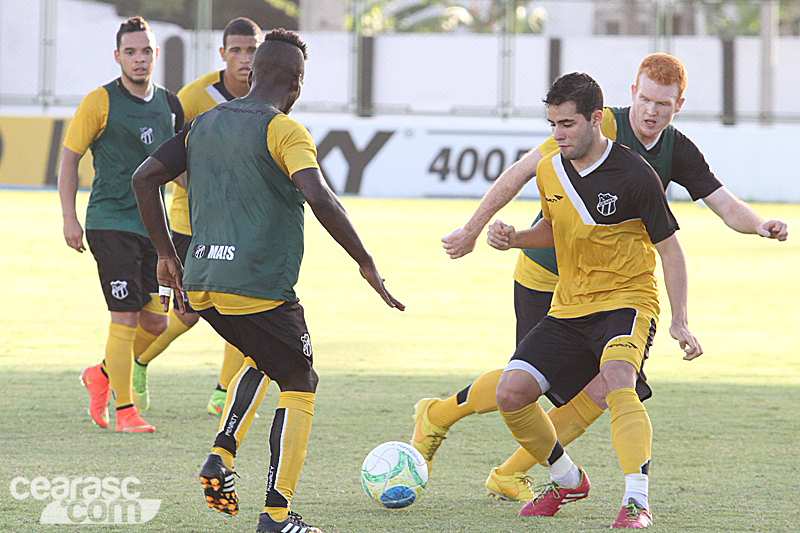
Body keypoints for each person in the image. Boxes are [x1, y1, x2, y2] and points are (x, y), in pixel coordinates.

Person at [411, 53, 789, 502]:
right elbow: (522, 171)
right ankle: (440, 416)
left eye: (663, 104)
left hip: (613, 290)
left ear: (679, 105)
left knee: (602, 387)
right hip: (548, 276)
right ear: (632, 94)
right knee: (534, 378)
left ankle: (510, 472)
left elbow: (723, 203)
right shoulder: (597, 122)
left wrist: (760, 225)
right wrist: (473, 230)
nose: (651, 111)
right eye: (645, 99)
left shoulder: (676, 150)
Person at [132, 29, 404, 533]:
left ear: (254, 72)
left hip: (204, 282)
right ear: (297, 83)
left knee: (262, 357)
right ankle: (277, 516)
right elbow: (320, 197)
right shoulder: (285, 130)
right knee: (300, 380)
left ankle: (221, 455)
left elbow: (143, 177)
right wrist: (365, 262)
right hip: (258, 287)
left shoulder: (205, 122)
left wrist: (167, 255)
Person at [486, 72, 701, 528]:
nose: (558, 135)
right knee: (511, 392)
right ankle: (567, 479)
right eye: (552, 125)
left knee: (619, 378)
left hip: (628, 300)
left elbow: (670, 249)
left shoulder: (635, 173)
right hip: (570, 305)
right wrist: (515, 238)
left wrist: (679, 320)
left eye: (567, 124)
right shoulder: (550, 168)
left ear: (596, 119)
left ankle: (636, 501)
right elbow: (553, 228)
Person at [130, 17, 263, 417]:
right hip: (192, 222)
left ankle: (223, 392)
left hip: (242, 226)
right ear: (222, 54)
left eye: (252, 50)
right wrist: (207, 192)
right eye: (236, 50)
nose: (245, 58)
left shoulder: (268, 96)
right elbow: (166, 157)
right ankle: (135, 362)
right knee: (187, 314)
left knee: (244, 304)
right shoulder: (193, 97)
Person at [58, 16, 184, 433]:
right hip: (110, 223)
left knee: (156, 323)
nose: (139, 59)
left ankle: (101, 374)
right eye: (130, 52)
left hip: (153, 228)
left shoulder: (170, 105)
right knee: (125, 317)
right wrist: (70, 217)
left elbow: (179, 169)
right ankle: (126, 412)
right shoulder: (100, 101)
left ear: (156, 54)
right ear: (118, 57)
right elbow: (70, 159)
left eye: (145, 51)